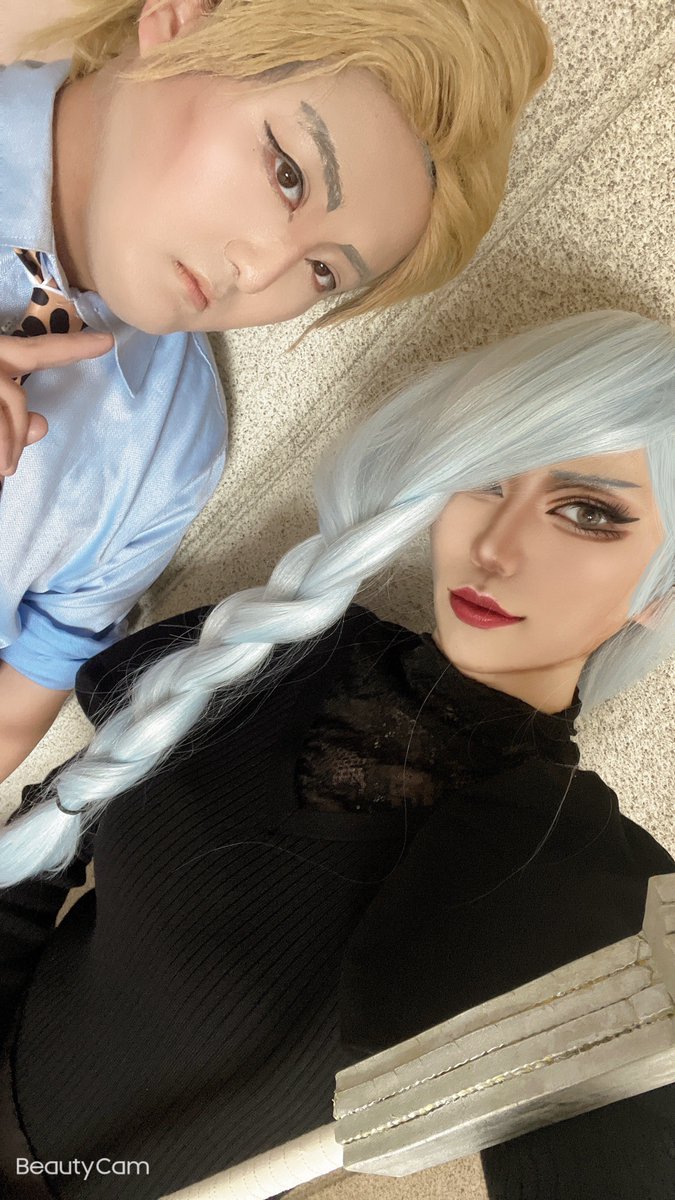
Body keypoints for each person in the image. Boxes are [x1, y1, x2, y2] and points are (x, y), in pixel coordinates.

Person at [1, 309, 673, 1200]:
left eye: (586, 514)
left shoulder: (598, 891)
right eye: (483, 479)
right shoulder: (274, 646)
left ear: (660, 591)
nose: (493, 547)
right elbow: (57, 826)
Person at [0, 0, 553, 783]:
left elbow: (26, 691)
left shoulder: (173, 444)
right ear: (182, 19)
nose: (259, 272)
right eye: (287, 174)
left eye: (322, 270)